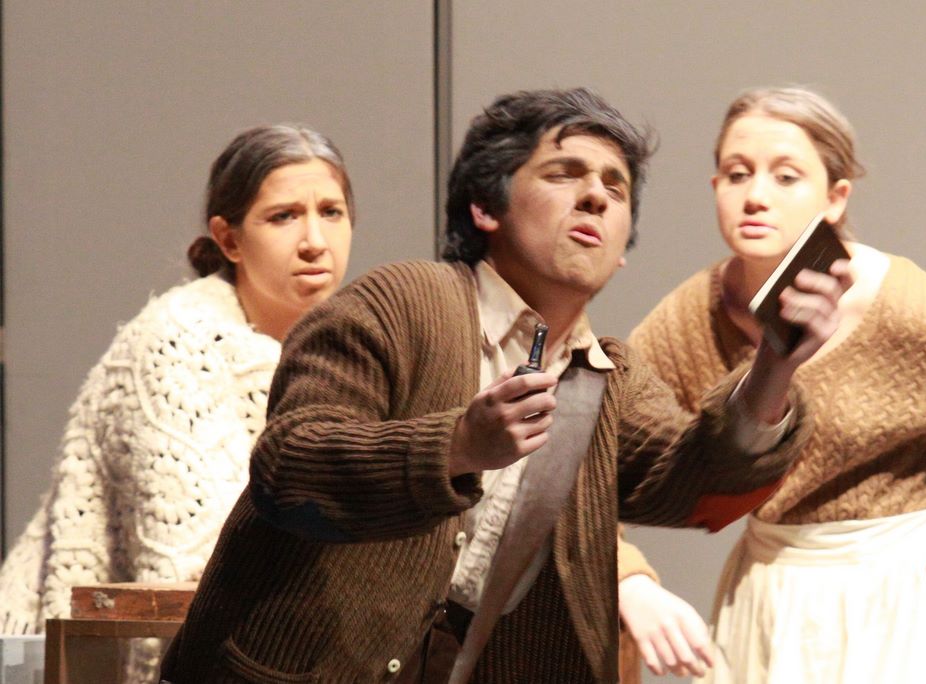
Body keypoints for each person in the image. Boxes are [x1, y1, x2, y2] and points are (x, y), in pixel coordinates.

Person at [159, 87, 846, 684]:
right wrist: (458, 445)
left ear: (622, 249)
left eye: (616, 188)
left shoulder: (606, 377)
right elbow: (289, 465)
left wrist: (773, 367)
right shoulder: (399, 303)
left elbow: (697, 484)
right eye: (565, 173)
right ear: (486, 207)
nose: (596, 196)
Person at [628, 86, 926, 683]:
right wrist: (629, 580)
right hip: (770, 602)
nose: (756, 195)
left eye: (786, 177)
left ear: (835, 198)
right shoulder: (693, 317)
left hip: (906, 606)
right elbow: (589, 457)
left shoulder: (907, 309)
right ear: (715, 187)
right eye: (737, 174)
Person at [0, 124, 355, 677]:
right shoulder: (176, 340)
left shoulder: (347, 349)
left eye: (331, 212)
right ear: (229, 239)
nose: (315, 240)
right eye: (283, 216)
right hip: (70, 658)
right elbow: (189, 566)